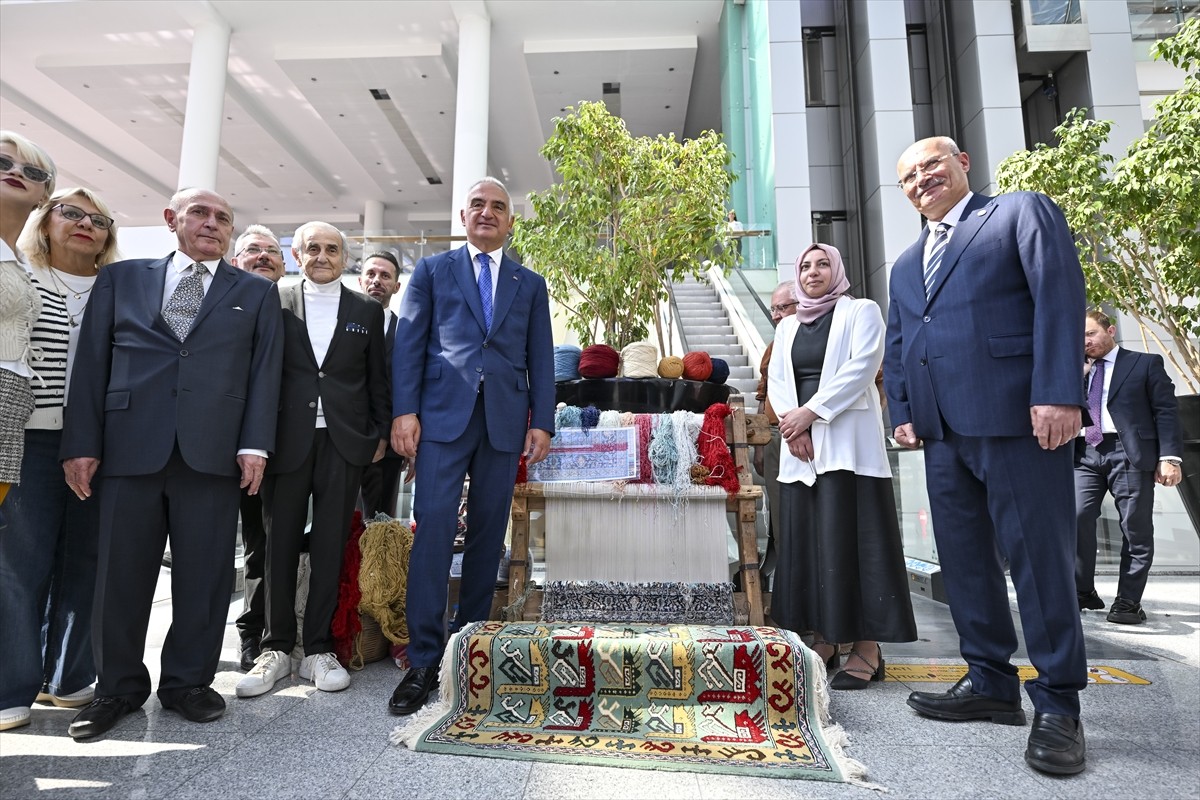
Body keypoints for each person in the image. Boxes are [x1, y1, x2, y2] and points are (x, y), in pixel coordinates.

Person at [883, 136, 1089, 775]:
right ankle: (990, 682)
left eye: (932, 166)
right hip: (943, 433)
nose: (922, 180)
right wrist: (904, 411)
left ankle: (1058, 703)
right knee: (965, 563)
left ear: (963, 164)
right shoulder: (905, 263)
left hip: (1018, 420)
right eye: (910, 176)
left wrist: (1058, 391)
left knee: (1038, 559)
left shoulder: (1018, 212)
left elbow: (1060, 299)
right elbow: (902, 340)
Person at [61, 187, 284, 740]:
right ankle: (117, 688)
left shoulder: (255, 294)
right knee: (120, 575)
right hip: (127, 446)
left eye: (224, 218)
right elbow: (91, 362)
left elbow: (265, 376)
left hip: (212, 451)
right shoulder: (121, 278)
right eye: (201, 214)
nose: (213, 224)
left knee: (206, 576)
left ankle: (187, 683)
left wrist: (255, 443)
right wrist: (81, 443)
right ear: (172, 220)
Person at [388, 177, 555, 715]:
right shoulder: (433, 271)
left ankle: (469, 649)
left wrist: (543, 422)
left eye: (498, 207)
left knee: (487, 533)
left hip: (505, 421)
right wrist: (404, 412)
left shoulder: (530, 284)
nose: (488, 213)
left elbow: (542, 357)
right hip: (440, 418)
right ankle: (423, 658)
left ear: (510, 221)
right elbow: (410, 343)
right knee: (434, 527)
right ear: (463, 216)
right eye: (478, 205)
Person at [236, 222, 389, 699]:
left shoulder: (367, 308)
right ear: (297, 255)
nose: (322, 256)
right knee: (277, 543)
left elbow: (376, 378)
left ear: (345, 257)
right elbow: (255, 369)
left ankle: (320, 647)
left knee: (329, 543)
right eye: (313, 248)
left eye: (332, 249)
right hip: (285, 439)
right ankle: (276, 647)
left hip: (343, 443)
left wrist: (378, 435)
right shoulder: (272, 299)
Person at [769, 244, 917, 691]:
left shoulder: (861, 312)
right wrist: (792, 427)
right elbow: (777, 381)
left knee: (858, 544)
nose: (814, 271)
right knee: (812, 543)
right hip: (800, 449)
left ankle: (867, 648)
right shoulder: (788, 326)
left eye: (823, 264)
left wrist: (809, 415)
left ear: (838, 270)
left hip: (849, 448)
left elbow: (861, 370)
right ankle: (826, 639)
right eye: (806, 265)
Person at [1, 187, 116, 733]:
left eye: (97, 219)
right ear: (45, 222)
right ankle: (11, 686)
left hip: (102, 445)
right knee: (21, 565)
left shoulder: (119, 288)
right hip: (31, 438)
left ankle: (69, 678)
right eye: (71, 213)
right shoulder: (19, 274)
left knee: (86, 564)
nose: (84, 224)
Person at [1075, 309, 1182, 623]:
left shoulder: (1144, 364)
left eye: (1090, 334)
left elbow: (1166, 411)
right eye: (1078, 337)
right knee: (1076, 516)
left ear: (1110, 331)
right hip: (1084, 453)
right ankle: (1083, 591)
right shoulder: (1074, 370)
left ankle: (1128, 601)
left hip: (1130, 453)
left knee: (1135, 528)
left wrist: (1169, 458)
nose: (1084, 342)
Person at [228, 224, 286, 670]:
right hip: (215, 443)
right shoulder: (222, 305)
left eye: (272, 251)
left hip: (278, 449)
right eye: (253, 250)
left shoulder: (295, 310)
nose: (264, 256)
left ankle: (264, 633)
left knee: (264, 543)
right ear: (235, 260)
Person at [0, 131, 54, 514]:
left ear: (44, 194)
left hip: (14, 402)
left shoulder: (21, 261)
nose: (15, 172)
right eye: (3, 163)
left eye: (31, 171)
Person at [752, 281, 799, 588]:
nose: (777, 315)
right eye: (774, 309)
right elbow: (762, 392)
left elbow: (877, 378)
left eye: (784, 307)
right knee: (782, 520)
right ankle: (788, 591)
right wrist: (758, 442)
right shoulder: (773, 347)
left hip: (816, 435)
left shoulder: (824, 338)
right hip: (774, 437)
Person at [357, 251, 407, 518]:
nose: (377, 280)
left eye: (385, 276)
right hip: (342, 440)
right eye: (371, 274)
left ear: (396, 286)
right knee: (340, 524)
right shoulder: (340, 324)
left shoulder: (407, 332)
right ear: (360, 280)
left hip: (389, 445)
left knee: (380, 522)